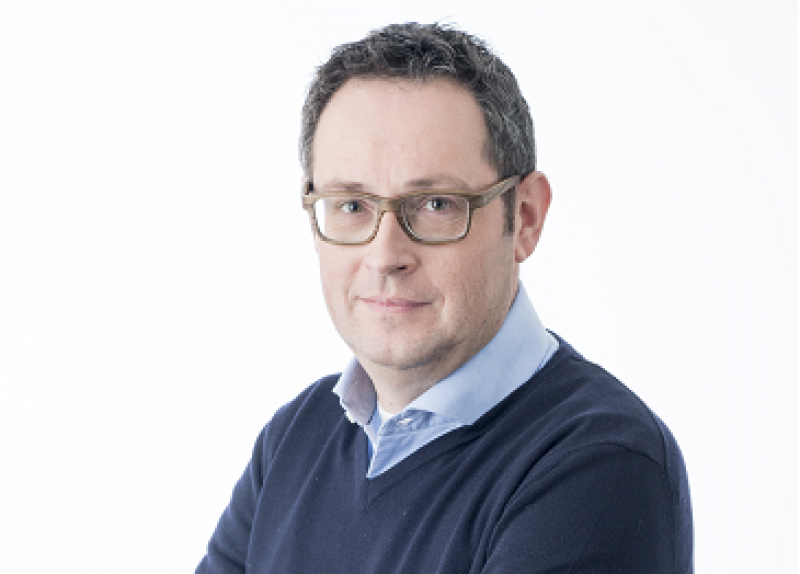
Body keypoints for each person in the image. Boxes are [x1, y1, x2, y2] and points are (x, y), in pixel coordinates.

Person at [196, 22, 693, 573]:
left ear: (525, 217)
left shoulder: (597, 465)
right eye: (352, 206)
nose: (385, 255)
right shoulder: (295, 437)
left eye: (436, 205)